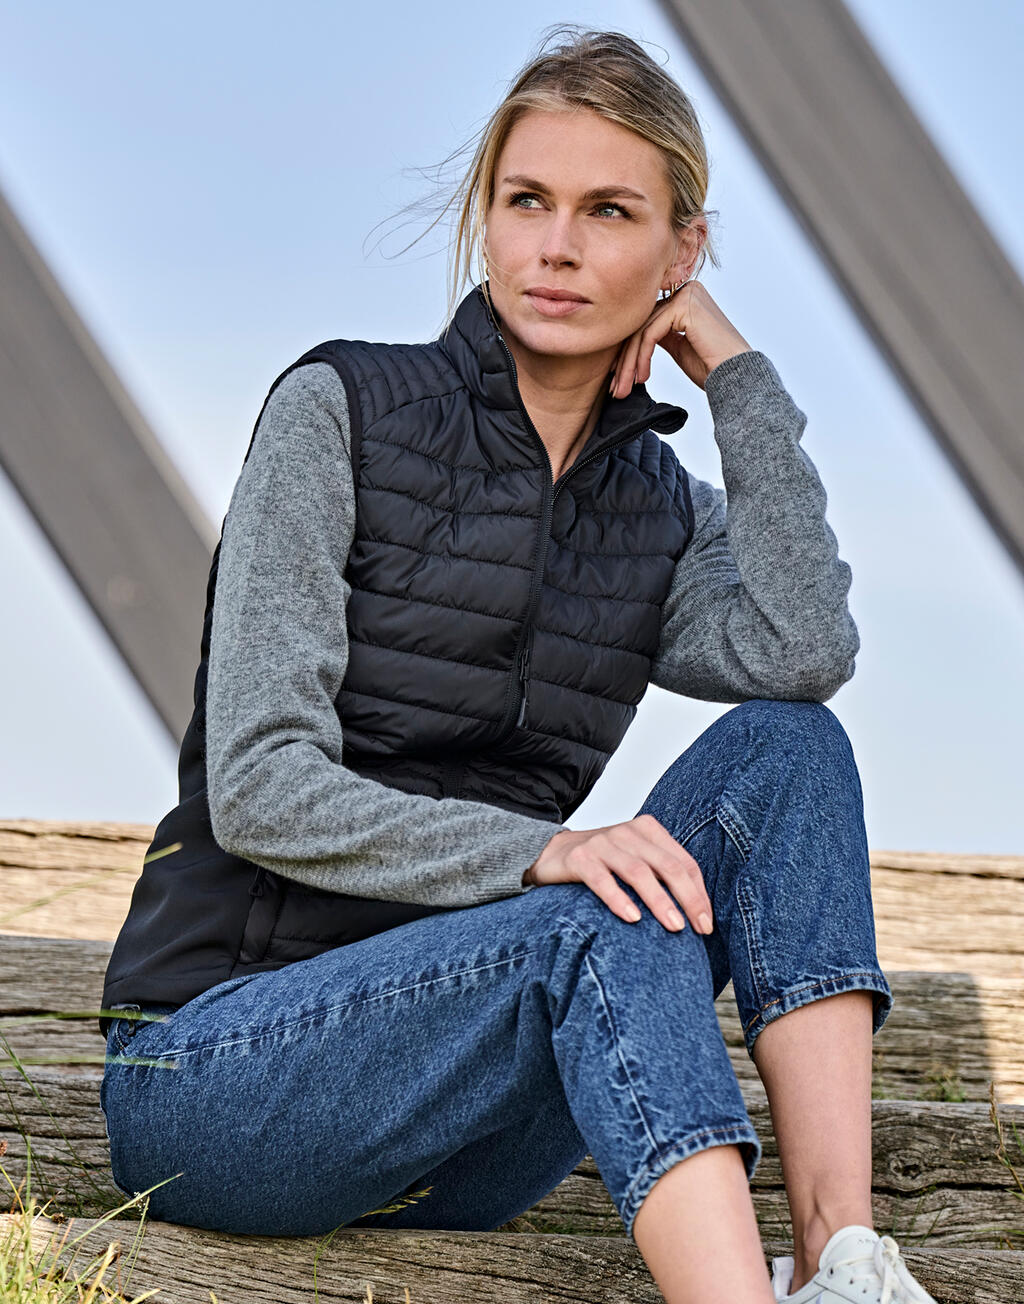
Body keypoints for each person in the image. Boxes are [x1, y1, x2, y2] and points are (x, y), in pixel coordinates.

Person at [97, 26, 937, 1304]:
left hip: (473, 1117)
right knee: (599, 902)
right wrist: (542, 853)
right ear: (486, 219)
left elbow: (802, 648)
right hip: (221, 1074)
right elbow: (257, 788)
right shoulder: (342, 413)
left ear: (682, 252)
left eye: (610, 211)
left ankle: (840, 1262)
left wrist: (740, 382)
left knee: (789, 748)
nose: (556, 246)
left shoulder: (657, 509)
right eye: (527, 200)